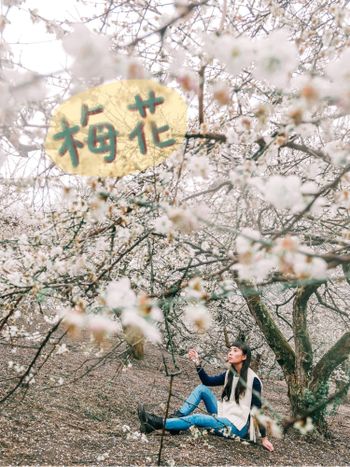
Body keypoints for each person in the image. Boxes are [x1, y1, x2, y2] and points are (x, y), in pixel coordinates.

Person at [138, 340, 274, 452]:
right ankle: (177, 419)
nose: (230, 353)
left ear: (244, 356)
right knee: (202, 389)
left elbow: (257, 410)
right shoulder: (230, 373)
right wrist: (197, 362)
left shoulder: (253, 380)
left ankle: (158, 423)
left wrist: (264, 437)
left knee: (198, 418)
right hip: (224, 413)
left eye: (235, 350)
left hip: (237, 426)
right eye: (230, 350)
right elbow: (207, 381)